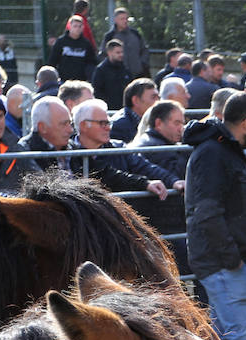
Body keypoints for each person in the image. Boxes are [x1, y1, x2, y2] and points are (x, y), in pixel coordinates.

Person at [183, 90, 246, 340]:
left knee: (223, 338)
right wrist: (233, 258)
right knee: (240, 339)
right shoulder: (215, 152)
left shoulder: (218, 150)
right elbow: (207, 212)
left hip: (222, 261)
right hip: (223, 264)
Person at [70, 97, 177, 197]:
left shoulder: (118, 148)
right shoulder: (67, 153)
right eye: (102, 123)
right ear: (84, 125)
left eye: (108, 123)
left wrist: (173, 181)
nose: (108, 128)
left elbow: (145, 167)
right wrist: (143, 183)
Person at [129, 98, 187, 269]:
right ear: (158, 123)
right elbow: (180, 174)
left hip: (164, 223)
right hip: (165, 224)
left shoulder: (157, 143)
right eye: (177, 122)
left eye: (182, 123)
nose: (181, 128)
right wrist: (187, 149)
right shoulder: (154, 147)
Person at [16, 95, 74, 172]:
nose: (70, 130)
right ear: (42, 127)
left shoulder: (74, 147)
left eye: (70, 123)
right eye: (63, 124)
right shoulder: (25, 152)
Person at [101, 8, 148, 79]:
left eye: (126, 18)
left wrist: (142, 64)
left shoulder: (135, 34)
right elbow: (104, 54)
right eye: (122, 19)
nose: (125, 21)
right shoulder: (109, 36)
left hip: (137, 74)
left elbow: (144, 50)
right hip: (117, 75)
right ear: (115, 20)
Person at [48, 15, 95, 83]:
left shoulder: (86, 44)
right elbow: (53, 61)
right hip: (63, 80)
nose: (77, 28)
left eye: (80, 26)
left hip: (81, 81)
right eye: (75, 26)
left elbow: (91, 62)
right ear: (69, 27)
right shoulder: (61, 42)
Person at [110, 77, 154, 142]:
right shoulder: (120, 125)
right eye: (153, 97)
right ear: (136, 100)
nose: (158, 101)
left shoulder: (156, 121)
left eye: (159, 97)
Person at [91, 38, 130, 110]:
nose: (121, 55)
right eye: (118, 52)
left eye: (122, 52)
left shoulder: (125, 69)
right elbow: (97, 91)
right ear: (109, 53)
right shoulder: (101, 70)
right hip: (107, 109)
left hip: (123, 108)